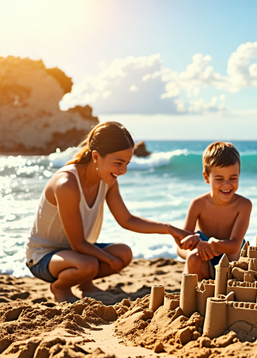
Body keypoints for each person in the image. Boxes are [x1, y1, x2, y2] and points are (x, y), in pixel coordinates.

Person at [26, 121, 190, 303]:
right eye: (118, 163)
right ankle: (59, 288)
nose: (123, 170)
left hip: (76, 252)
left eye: (127, 163)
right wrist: (108, 260)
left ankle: (85, 285)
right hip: (43, 257)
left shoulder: (107, 181)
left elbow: (126, 220)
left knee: (124, 253)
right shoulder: (67, 184)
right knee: (89, 264)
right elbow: (78, 243)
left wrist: (169, 229)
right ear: (96, 156)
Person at [177, 142, 252, 281]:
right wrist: (197, 247)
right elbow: (181, 247)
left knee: (233, 254)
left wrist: (213, 245)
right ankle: (194, 297)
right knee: (193, 257)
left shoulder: (243, 205)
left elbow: (235, 245)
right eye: (219, 179)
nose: (227, 184)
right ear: (206, 177)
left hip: (231, 260)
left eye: (233, 178)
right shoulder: (198, 204)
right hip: (205, 261)